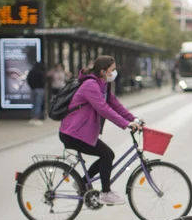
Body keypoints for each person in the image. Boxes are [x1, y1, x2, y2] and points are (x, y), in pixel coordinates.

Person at [59, 56, 142, 205]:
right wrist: (126, 124)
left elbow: (114, 104)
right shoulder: (91, 85)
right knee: (107, 154)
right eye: (113, 70)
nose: (115, 73)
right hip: (72, 133)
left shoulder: (102, 84)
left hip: (81, 132)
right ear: (103, 71)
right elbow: (104, 109)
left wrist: (133, 119)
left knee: (106, 155)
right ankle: (105, 192)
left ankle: (81, 183)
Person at [27, 61, 47, 125]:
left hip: (33, 89)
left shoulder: (31, 71)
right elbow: (43, 81)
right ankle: (36, 118)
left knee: (34, 104)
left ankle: (33, 118)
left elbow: (28, 79)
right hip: (40, 89)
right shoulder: (41, 72)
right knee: (38, 104)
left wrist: (32, 86)